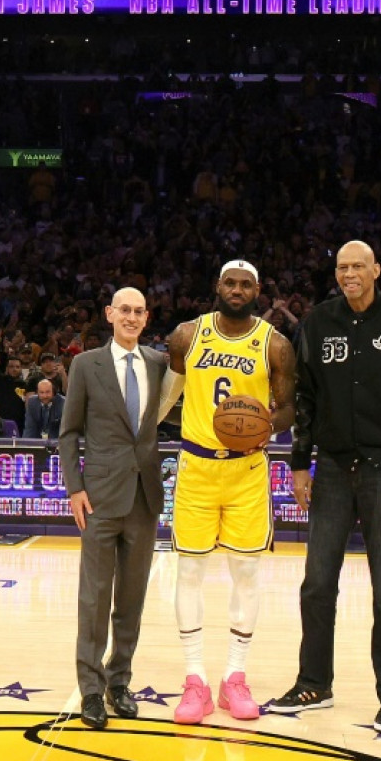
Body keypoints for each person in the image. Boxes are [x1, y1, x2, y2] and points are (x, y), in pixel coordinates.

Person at [268, 240, 381, 733]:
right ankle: (314, 683)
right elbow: (304, 400)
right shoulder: (319, 323)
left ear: (377, 269)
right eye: (342, 267)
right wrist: (300, 463)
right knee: (317, 583)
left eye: (358, 266)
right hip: (334, 468)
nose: (349, 274)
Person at [166, 259, 295, 725]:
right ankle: (194, 679)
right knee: (189, 571)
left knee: (246, 572)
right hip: (196, 464)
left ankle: (234, 678)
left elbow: (288, 410)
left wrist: (266, 427)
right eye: (230, 283)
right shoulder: (186, 336)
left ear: (258, 290)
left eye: (246, 285)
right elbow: (169, 393)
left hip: (246, 470)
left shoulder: (275, 344)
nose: (237, 290)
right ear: (217, 286)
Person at [58, 286, 175, 730]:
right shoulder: (86, 364)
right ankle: (90, 689)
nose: (131, 317)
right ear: (109, 314)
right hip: (100, 497)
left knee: (131, 599)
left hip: (144, 497)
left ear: (147, 318)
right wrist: (75, 488)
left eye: (139, 311)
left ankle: (119, 681)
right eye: (123, 310)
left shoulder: (160, 363)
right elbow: (69, 434)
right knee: (94, 597)